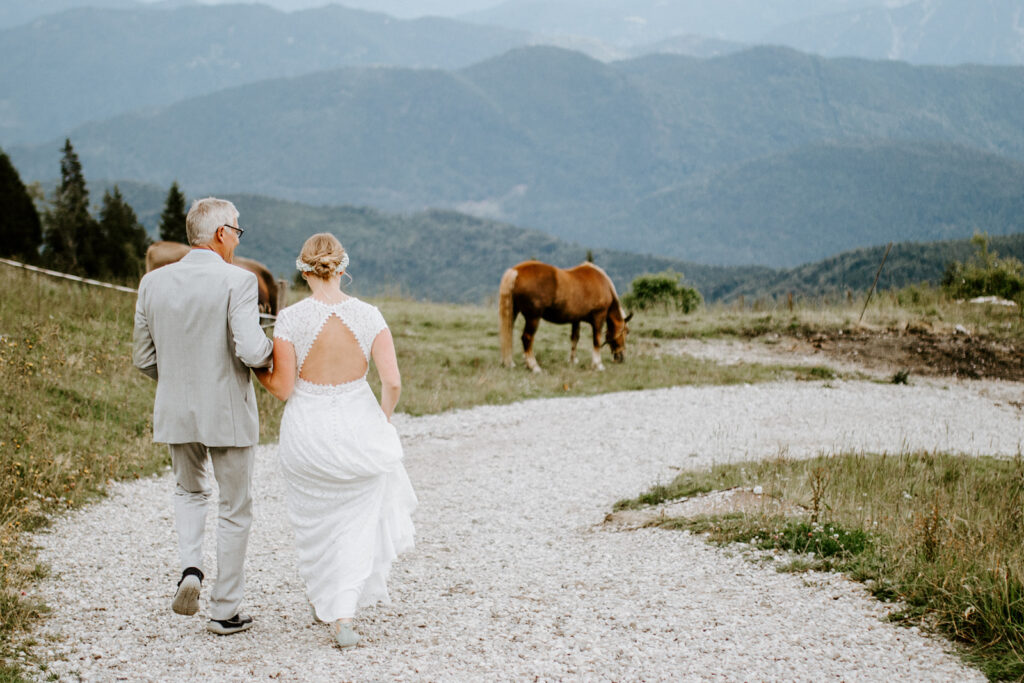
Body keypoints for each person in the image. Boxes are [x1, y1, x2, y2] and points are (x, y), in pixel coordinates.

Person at [254, 233, 416, 649]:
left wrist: (255, 369)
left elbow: (284, 388)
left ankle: (327, 598)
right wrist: (381, 420)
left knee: (317, 525)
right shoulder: (370, 316)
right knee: (356, 523)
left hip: (307, 434)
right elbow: (393, 381)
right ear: (342, 269)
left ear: (304, 271)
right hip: (358, 430)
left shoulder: (290, 319)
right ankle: (342, 612)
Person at [132, 197, 273, 636]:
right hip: (227, 411)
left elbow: (142, 358)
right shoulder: (239, 281)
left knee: (189, 492)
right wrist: (276, 351)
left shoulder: (152, 283)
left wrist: (176, 381)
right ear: (220, 234)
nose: (237, 238)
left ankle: (190, 570)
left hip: (175, 408)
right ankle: (224, 610)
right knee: (235, 507)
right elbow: (251, 350)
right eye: (237, 231)